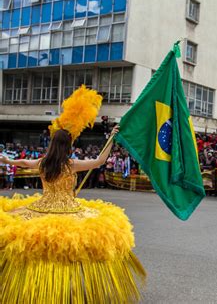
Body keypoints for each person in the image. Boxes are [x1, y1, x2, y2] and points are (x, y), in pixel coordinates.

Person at [0, 89, 145, 302]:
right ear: (67, 145)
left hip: (41, 209)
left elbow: (22, 163)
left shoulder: (43, 163)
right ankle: (64, 288)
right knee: (71, 247)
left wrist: (7, 161)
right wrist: (111, 139)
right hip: (69, 210)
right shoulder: (72, 164)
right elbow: (99, 162)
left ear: (52, 144)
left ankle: (39, 287)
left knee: (37, 245)